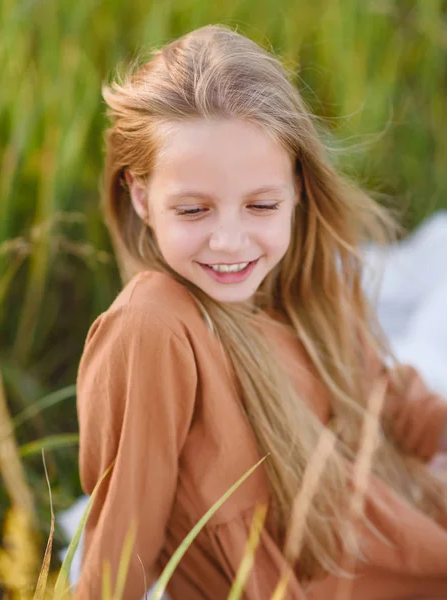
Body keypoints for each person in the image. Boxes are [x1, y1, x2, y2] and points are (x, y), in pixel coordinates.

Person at [75, 24, 447, 600]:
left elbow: (394, 403)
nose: (230, 241)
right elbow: (121, 547)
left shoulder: (305, 290)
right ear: (142, 196)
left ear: (298, 189)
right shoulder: (154, 325)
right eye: (194, 209)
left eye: (261, 205)